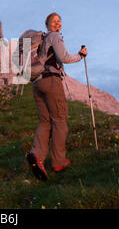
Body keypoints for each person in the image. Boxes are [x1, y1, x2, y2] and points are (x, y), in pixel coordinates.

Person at [26, 12, 87, 181]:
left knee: (45, 121)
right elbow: (64, 57)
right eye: (54, 21)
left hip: (37, 83)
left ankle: (36, 155)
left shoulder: (40, 41)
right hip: (52, 81)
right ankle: (59, 161)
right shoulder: (54, 36)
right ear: (48, 24)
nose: (57, 23)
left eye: (59, 20)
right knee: (60, 119)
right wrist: (80, 56)